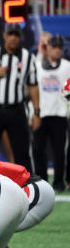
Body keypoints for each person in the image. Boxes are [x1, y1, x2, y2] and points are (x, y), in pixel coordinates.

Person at [0, 23, 39, 173]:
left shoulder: (27, 57)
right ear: (4, 35)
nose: (13, 38)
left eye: (16, 35)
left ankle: (27, 185)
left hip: (16, 109)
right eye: (10, 34)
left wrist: (36, 112)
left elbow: (33, 85)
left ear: (20, 37)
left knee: (22, 152)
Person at [34, 34, 70, 192]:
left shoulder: (67, 66)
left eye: (59, 48)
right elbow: (32, 82)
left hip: (60, 114)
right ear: (47, 48)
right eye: (54, 47)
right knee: (37, 149)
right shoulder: (38, 65)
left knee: (59, 151)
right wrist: (42, 51)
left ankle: (58, 182)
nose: (57, 50)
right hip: (41, 114)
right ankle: (42, 182)